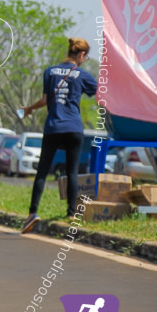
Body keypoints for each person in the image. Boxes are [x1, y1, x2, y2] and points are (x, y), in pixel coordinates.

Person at [20, 37, 98, 233]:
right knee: (72, 171)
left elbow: (46, 100)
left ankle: (32, 213)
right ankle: (71, 213)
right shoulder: (82, 74)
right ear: (81, 55)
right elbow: (99, 91)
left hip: (53, 127)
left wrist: (29, 108)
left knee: (43, 172)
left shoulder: (50, 71)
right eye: (85, 57)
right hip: (74, 128)